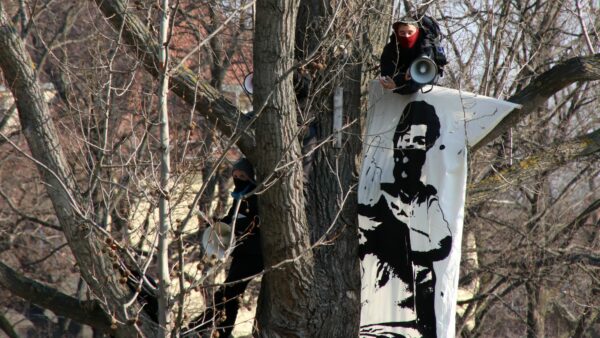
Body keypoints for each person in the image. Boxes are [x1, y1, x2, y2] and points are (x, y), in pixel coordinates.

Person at [358, 101, 452, 337]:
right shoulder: (376, 194)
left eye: (419, 142)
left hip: (420, 317)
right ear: (396, 142)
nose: (411, 148)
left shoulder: (427, 198)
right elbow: (364, 232)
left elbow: (442, 244)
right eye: (406, 139)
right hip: (379, 316)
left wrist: (406, 230)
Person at [186, 157, 262, 337]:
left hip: (253, 256)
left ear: (250, 177)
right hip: (241, 254)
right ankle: (214, 328)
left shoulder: (254, 198)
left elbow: (254, 224)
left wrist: (234, 229)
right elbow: (231, 218)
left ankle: (210, 327)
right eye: (235, 175)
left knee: (229, 293)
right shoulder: (239, 196)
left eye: (242, 175)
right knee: (227, 293)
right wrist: (217, 224)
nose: (237, 178)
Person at [379, 15, 447, 94]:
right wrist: (401, 79)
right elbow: (387, 73)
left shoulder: (425, 47)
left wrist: (399, 86)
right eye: (402, 33)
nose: (406, 36)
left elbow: (424, 77)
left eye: (410, 32)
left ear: (417, 31)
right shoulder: (390, 49)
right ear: (397, 33)